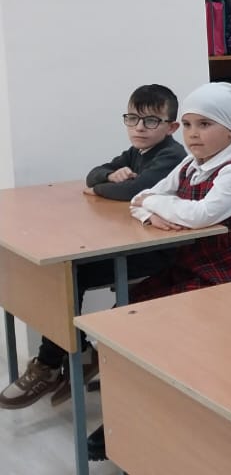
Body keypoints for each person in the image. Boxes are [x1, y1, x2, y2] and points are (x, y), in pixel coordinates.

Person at [78, 83, 231, 460]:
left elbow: (200, 215)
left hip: (227, 278)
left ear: (230, 130)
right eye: (190, 125)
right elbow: (137, 199)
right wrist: (151, 212)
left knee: (148, 327)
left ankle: (142, 415)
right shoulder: (189, 165)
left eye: (205, 125)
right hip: (191, 268)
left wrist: (159, 204)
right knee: (122, 316)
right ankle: (132, 410)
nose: (193, 134)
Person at [0, 84, 185, 411]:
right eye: (132, 118)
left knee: (73, 274)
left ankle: (51, 362)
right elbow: (93, 175)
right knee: (61, 273)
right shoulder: (136, 152)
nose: (139, 127)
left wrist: (102, 188)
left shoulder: (171, 155)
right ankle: (74, 353)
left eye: (151, 121)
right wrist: (108, 178)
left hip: (160, 251)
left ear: (171, 127)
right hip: (133, 240)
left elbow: (130, 192)